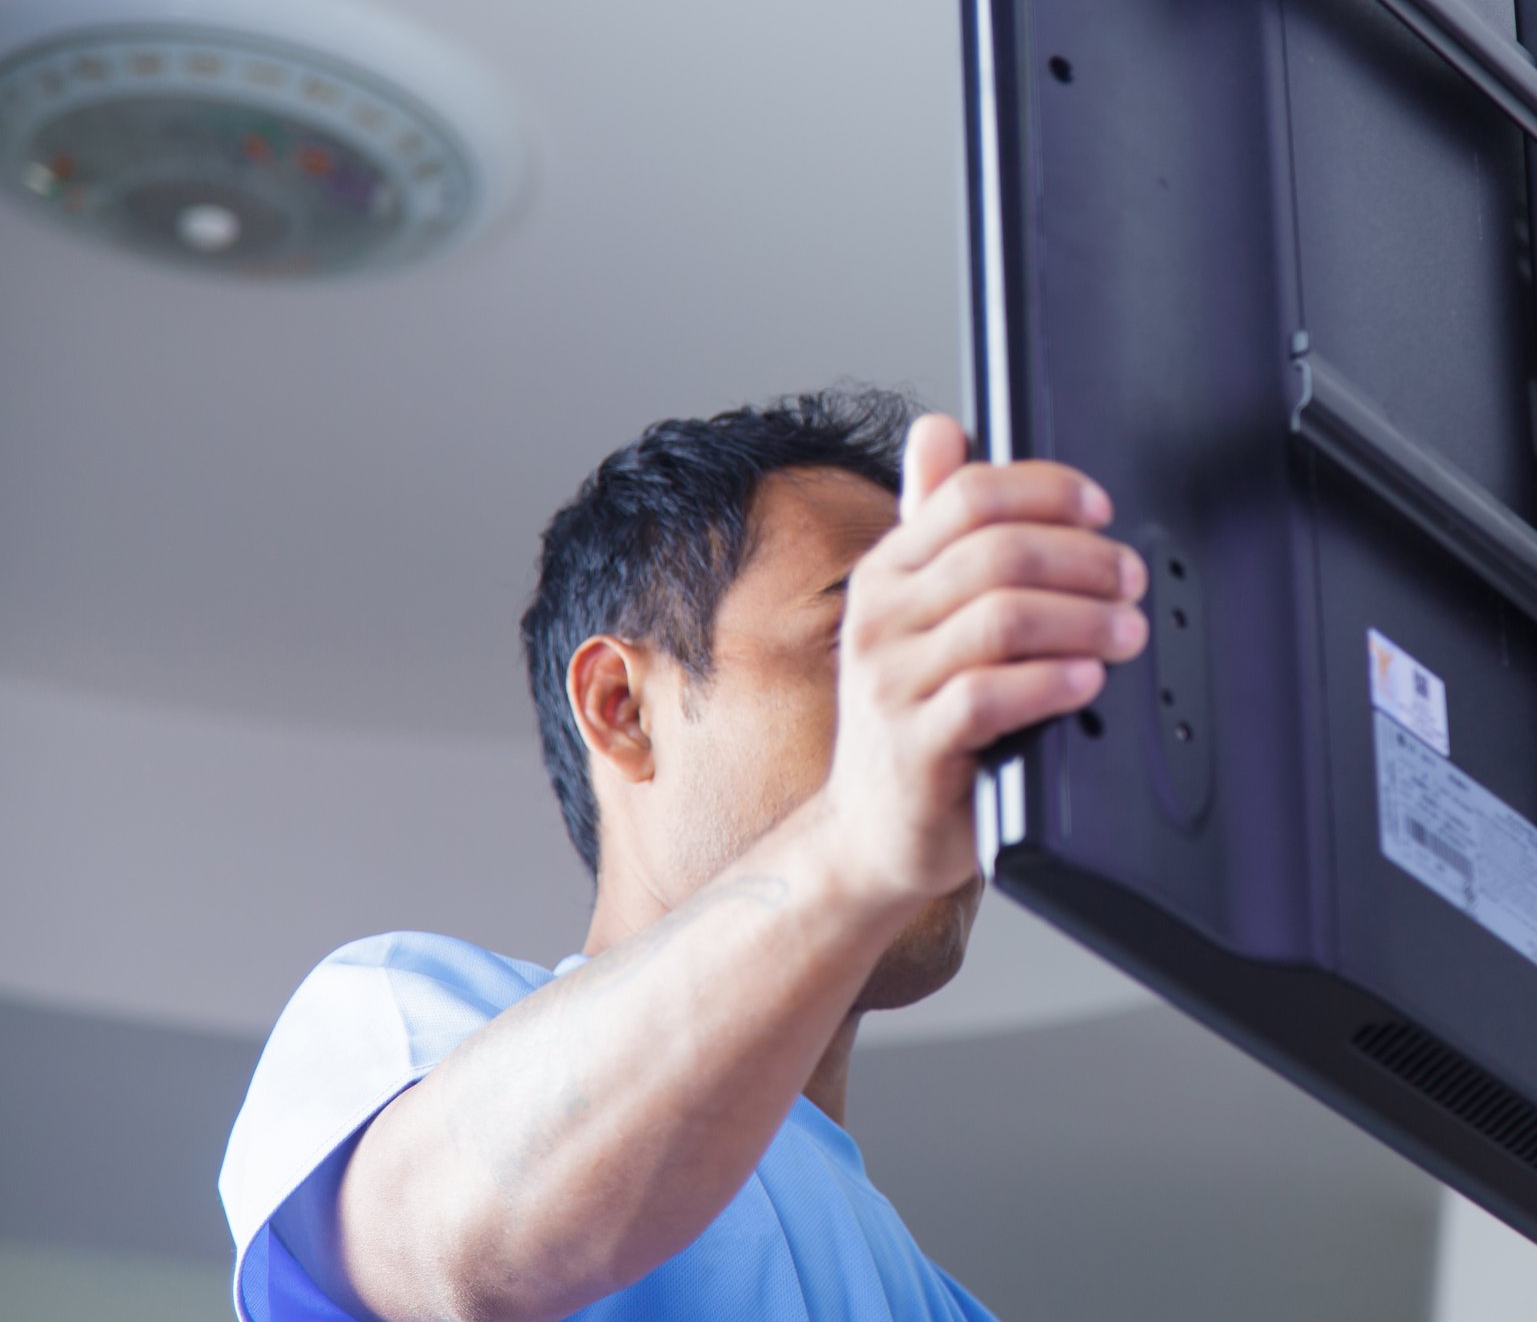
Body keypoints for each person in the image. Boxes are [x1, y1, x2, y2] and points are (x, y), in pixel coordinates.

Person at [217, 389, 1150, 1322]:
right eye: (862, 642)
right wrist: (860, 832)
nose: (953, 715)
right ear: (621, 707)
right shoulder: (397, 1027)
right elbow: (453, 1246)